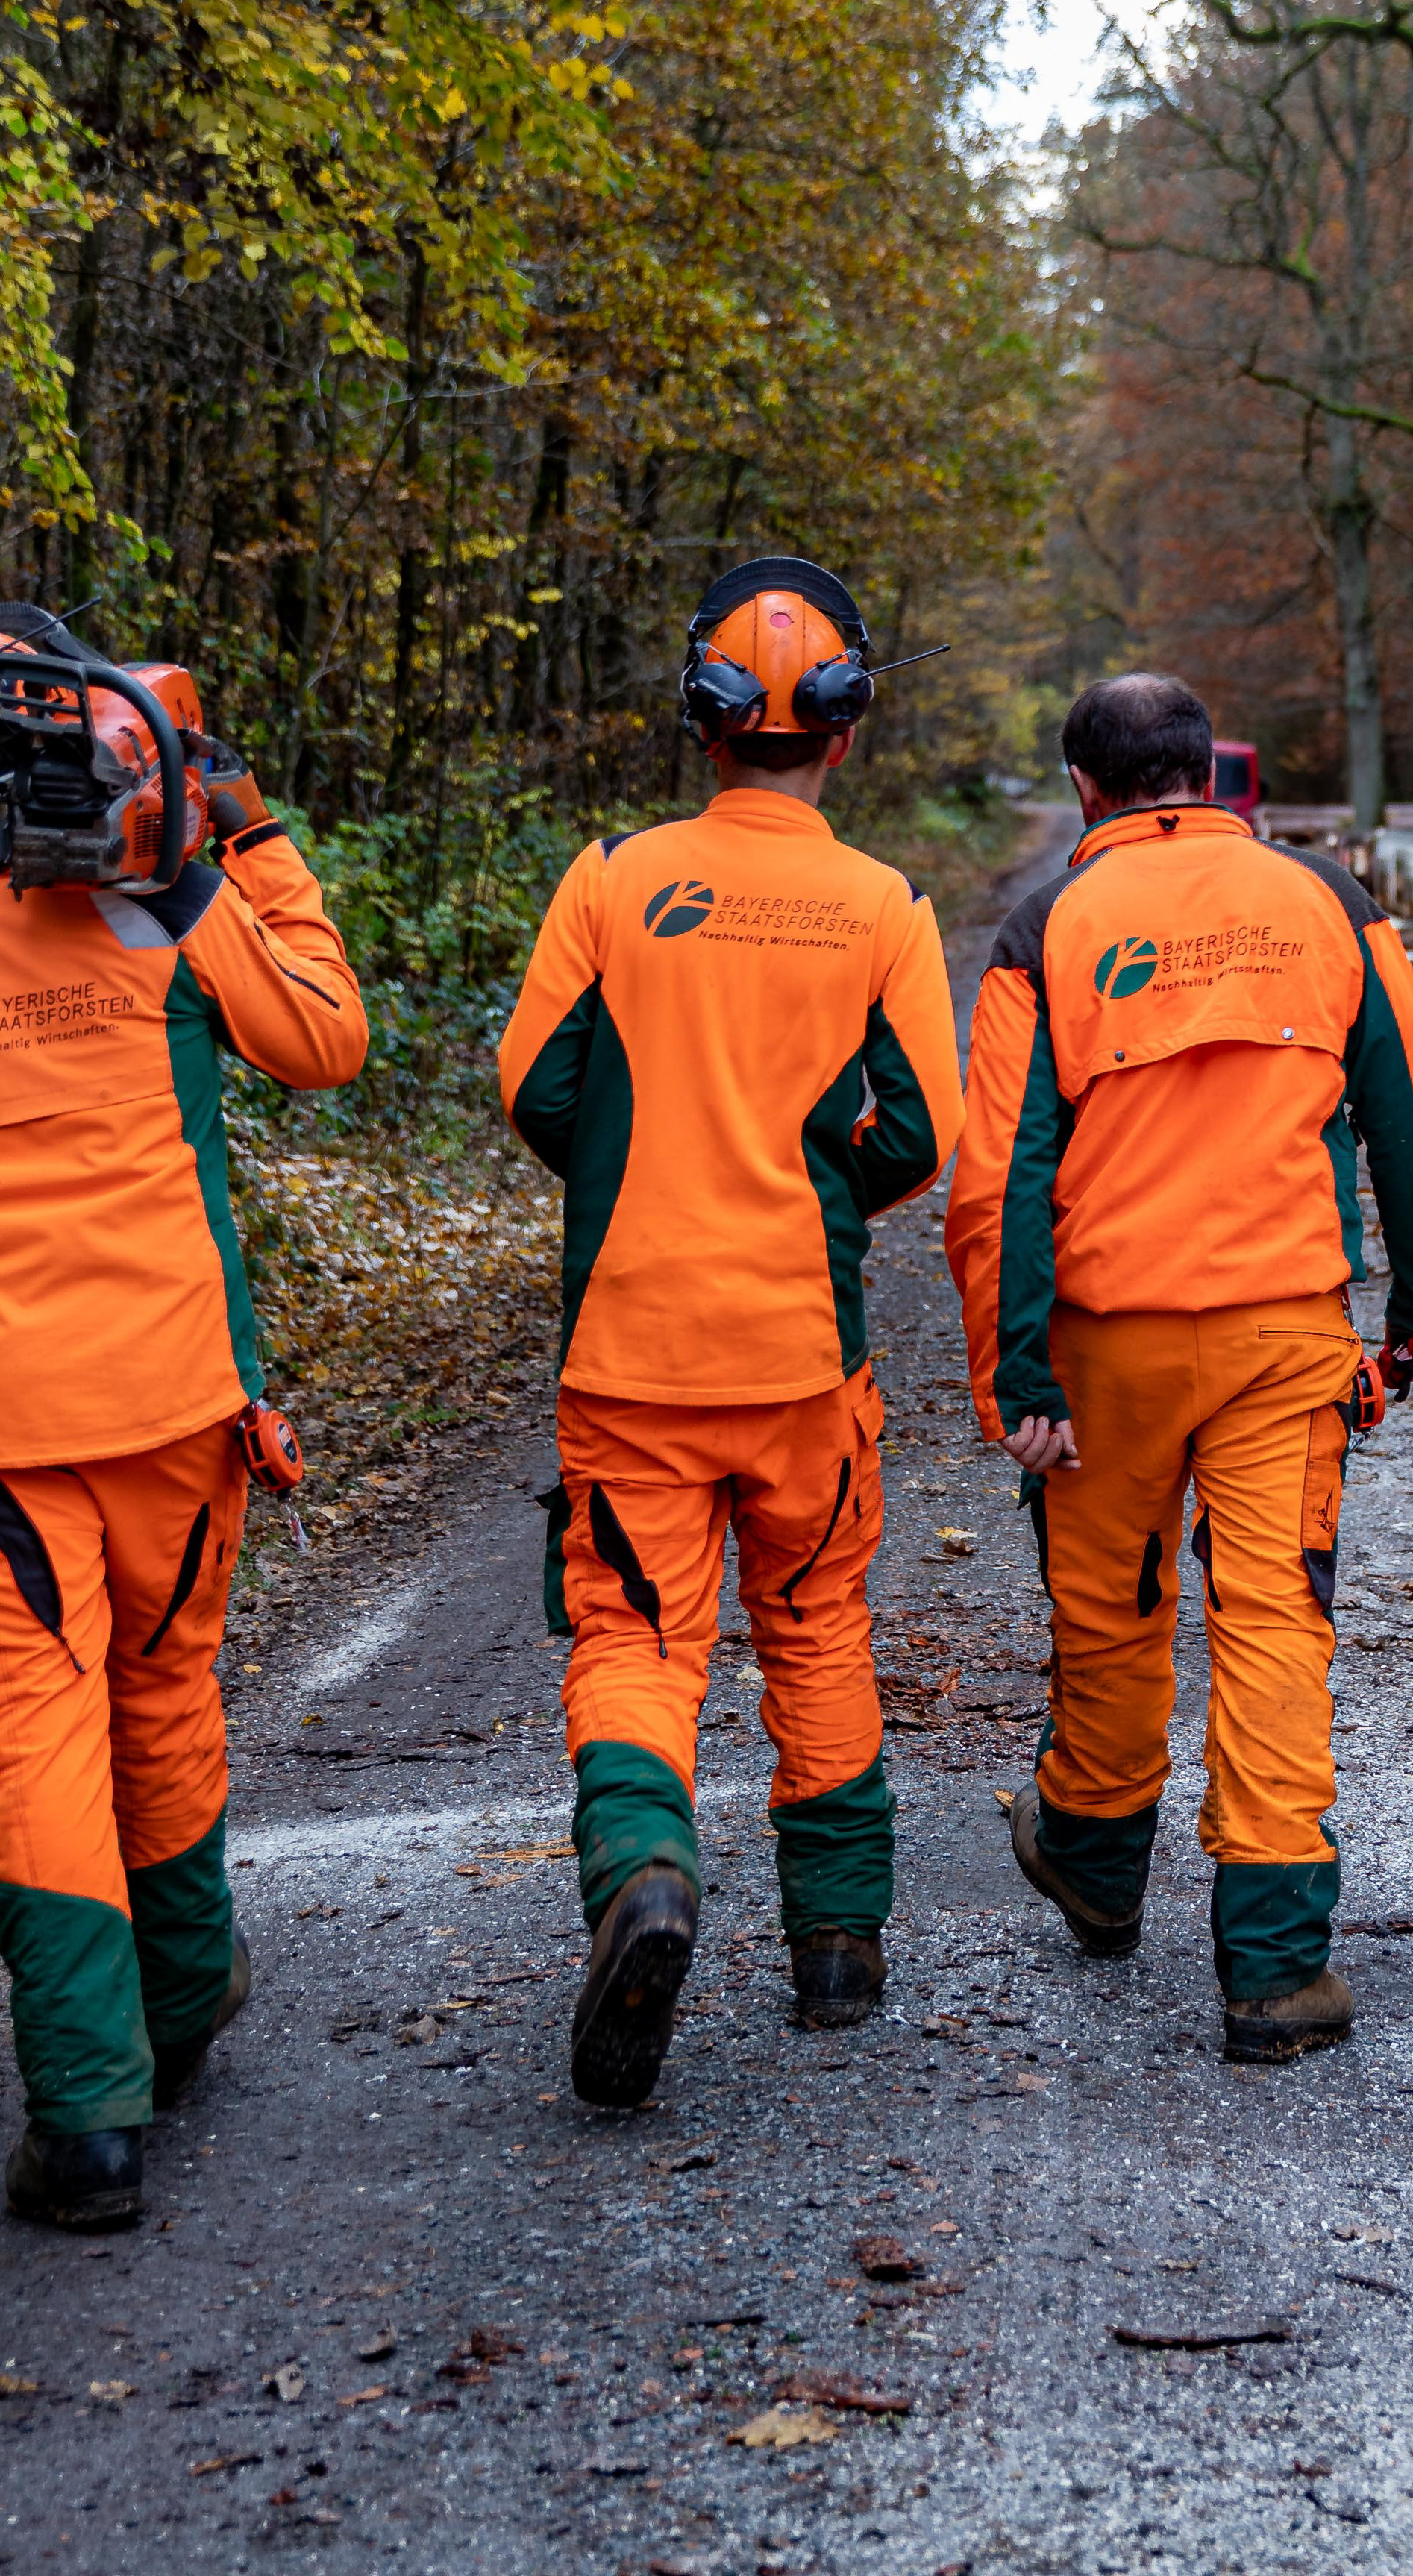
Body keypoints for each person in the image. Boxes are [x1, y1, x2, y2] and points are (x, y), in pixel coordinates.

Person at [0, 607, 371, 2229]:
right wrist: (243, 835)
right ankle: (180, 2007)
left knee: (35, 1736)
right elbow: (328, 1037)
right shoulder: (175, 909)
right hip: (183, 1398)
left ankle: (92, 2114)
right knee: (166, 1687)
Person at [946, 673, 1413, 2060]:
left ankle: (1102, 1873)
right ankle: (1278, 1970)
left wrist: (1018, 1374)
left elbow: (997, 1178)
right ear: (1208, 776)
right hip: (1283, 1334)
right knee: (1273, 1622)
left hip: (1105, 1345)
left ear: (1084, 790)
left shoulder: (1046, 926)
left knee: (1111, 1612)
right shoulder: (1328, 908)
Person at [496, 557, 955, 2111]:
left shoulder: (613, 879)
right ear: (842, 730)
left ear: (698, 721)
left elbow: (535, 1085)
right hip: (800, 1347)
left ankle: (646, 1877)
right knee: (818, 1621)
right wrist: (814, 1183)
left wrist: (639, 1170)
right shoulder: (885, 907)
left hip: (630, 1342)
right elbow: (918, 1134)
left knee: (636, 1633)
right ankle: (838, 1951)